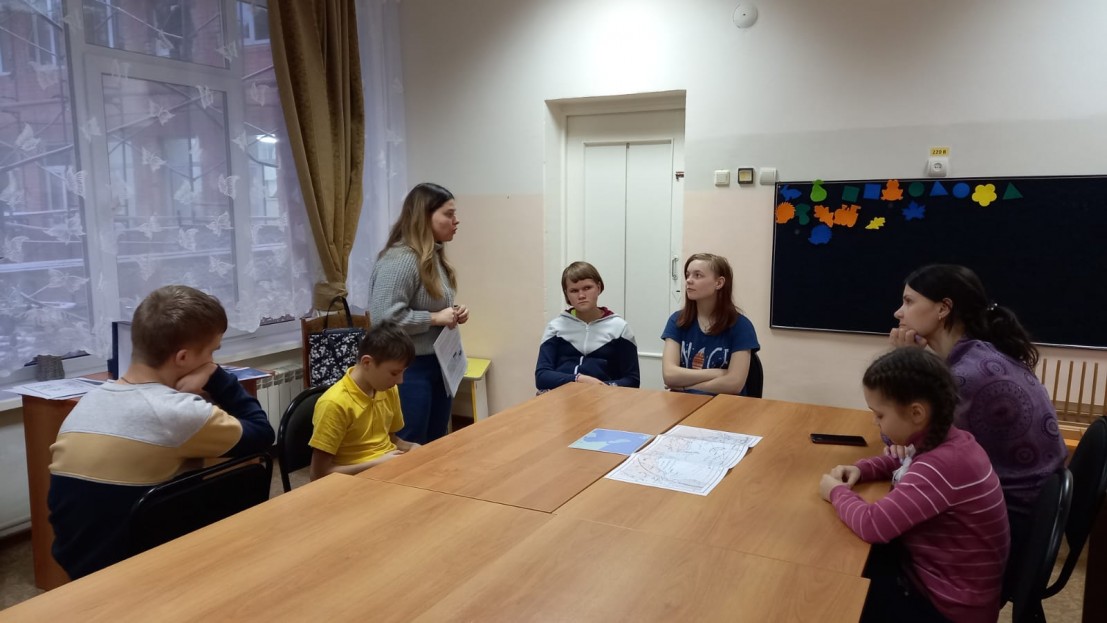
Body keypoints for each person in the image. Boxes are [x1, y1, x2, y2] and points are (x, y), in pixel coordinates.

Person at [47, 285, 274, 580]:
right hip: (141, 567)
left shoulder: (89, 401)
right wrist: (216, 375)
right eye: (211, 353)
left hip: (78, 562)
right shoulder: (176, 411)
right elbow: (261, 433)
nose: (212, 360)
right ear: (183, 358)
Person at [819, 347, 1009, 623]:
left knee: (834, 590)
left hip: (947, 609)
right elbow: (905, 460)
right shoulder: (949, 441)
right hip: (941, 583)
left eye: (880, 415)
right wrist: (862, 469)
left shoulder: (943, 465)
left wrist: (836, 492)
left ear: (916, 413)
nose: (875, 422)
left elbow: (874, 525)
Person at [888, 264, 1065, 556]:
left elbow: (901, 434)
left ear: (943, 308)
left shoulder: (967, 376)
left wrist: (903, 361)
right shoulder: (981, 355)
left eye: (909, 301)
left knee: (878, 533)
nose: (899, 313)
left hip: (1003, 527)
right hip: (1022, 513)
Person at [369, 182, 468, 445]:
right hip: (408, 368)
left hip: (438, 363)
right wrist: (435, 318)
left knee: (435, 443)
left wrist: (454, 312)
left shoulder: (433, 256)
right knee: (410, 442)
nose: (456, 221)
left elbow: (429, 304)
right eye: (449, 214)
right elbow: (383, 319)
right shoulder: (401, 259)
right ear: (425, 216)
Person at [309, 322, 420, 479]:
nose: (400, 381)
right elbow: (318, 474)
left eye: (403, 372)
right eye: (394, 373)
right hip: (353, 483)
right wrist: (377, 464)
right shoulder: (334, 403)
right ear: (367, 363)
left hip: (387, 471)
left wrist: (412, 447)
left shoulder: (388, 389)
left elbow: (391, 439)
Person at [661, 253, 759, 395]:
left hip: (725, 405)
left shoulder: (741, 326)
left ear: (719, 283)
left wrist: (684, 387)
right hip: (683, 403)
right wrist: (717, 373)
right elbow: (669, 375)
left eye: (698, 275)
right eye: (687, 275)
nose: (689, 280)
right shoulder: (677, 320)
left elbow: (734, 384)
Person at [535, 261, 639, 391]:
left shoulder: (620, 328)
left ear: (598, 288)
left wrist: (603, 387)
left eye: (587, 288)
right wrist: (579, 379)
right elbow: (542, 377)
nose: (581, 295)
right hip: (560, 397)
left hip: (603, 397)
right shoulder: (555, 327)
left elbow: (632, 380)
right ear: (567, 294)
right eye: (574, 290)